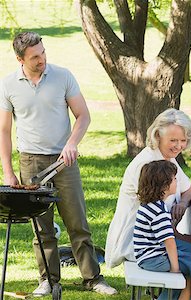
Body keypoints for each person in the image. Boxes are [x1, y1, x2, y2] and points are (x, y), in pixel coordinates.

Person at [0, 32, 116, 295]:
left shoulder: (63, 76)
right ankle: (49, 281)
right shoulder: (8, 85)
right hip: (30, 161)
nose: (42, 59)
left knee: (78, 222)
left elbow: (83, 116)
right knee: (42, 229)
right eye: (35, 57)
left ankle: (92, 278)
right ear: (20, 59)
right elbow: (3, 131)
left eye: (43, 52)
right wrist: (9, 172)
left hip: (65, 161)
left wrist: (72, 143)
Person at [105, 108, 191, 268]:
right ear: (157, 136)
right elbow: (154, 217)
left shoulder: (168, 159)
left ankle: (178, 292)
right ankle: (172, 293)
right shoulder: (149, 165)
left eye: (183, 140)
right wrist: (180, 236)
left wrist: (182, 203)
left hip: (159, 237)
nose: (179, 146)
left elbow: (189, 190)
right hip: (144, 244)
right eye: (173, 140)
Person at [134, 160, 191, 300]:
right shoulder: (159, 211)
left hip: (147, 255)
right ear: (164, 186)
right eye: (174, 179)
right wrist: (175, 268)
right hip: (154, 258)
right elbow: (169, 242)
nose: (177, 181)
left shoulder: (149, 205)